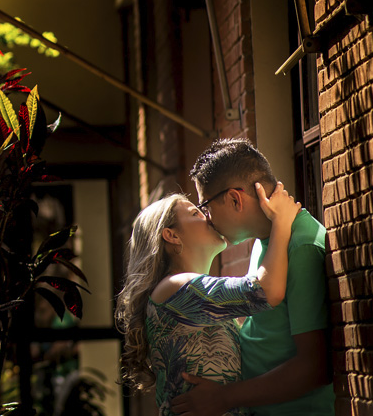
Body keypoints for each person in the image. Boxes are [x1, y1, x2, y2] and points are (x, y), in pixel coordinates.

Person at [172, 139, 333, 416]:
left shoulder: (301, 246)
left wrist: (223, 397)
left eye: (206, 206)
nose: (207, 219)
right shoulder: (266, 240)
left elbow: (315, 367)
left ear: (235, 198)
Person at [114, 182, 301, 416]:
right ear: (171, 235)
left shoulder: (189, 294)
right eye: (195, 213)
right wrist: (281, 220)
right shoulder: (173, 288)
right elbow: (265, 291)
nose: (208, 217)